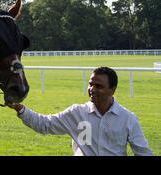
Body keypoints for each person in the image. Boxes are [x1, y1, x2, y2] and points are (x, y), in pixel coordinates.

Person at [8, 67, 153, 156]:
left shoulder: (128, 119)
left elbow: (143, 152)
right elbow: (45, 124)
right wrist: (19, 108)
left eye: (99, 86)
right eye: (90, 84)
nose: (92, 89)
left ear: (112, 90)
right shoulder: (76, 112)